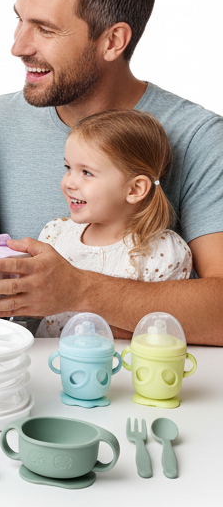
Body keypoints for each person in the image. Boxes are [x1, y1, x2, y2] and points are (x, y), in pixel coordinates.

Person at [0, 0, 223, 344]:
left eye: (45, 29)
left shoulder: (199, 138)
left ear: (113, 41)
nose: (18, 46)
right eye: (19, 19)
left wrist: (78, 289)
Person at [36, 110, 192, 337]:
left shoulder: (162, 253)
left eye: (86, 172)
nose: (69, 182)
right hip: (48, 364)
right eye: (68, 168)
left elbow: (165, 330)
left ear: (135, 189)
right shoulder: (55, 235)